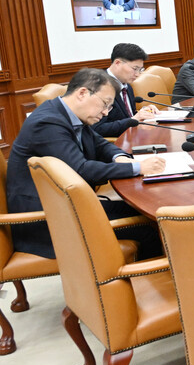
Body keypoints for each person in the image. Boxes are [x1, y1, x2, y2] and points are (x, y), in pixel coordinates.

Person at [6, 68, 166, 259]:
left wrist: (120, 158)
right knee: (147, 227)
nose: (106, 113)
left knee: (146, 214)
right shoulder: (47, 123)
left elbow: (100, 145)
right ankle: (145, 286)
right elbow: (81, 170)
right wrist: (138, 167)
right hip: (48, 219)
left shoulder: (67, 114)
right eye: (105, 104)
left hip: (68, 205)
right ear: (82, 93)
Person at [91, 43, 158, 137]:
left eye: (140, 69)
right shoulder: (98, 86)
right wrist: (133, 120)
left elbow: (127, 116)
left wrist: (144, 113)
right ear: (118, 63)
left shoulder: (127, 86)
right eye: (135, 69)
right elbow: (97, 129)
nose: (138, 74)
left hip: (132, 136)